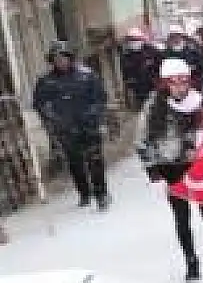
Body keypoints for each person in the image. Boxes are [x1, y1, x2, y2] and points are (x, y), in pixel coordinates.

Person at [137, 58, 203, 283]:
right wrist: (154, 174)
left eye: (182, 81)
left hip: (199, 166)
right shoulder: (154, 106)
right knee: (182, 218)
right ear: (165, 83)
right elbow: (142, 142)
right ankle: (191, 261)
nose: (178, 86)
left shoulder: (200, 102)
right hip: (170, 168)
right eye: (173, 82)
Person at [32, 41, 109, 211]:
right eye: (56, 59)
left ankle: (101, 193)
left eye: (63, 57)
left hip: (89, 125)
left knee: (95, 160)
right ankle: (84, 193)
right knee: (75, 162)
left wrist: (94, 114)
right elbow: (40, 104)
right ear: (52, 61)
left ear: (69, 57)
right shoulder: (45, 81)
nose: (61, 61)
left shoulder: (86, 75)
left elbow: (100, 98)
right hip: (65, 128)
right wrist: (53, 119)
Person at [118, 28, 160, 112]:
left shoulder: (152, 51)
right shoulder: (126, 56)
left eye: (135, 39)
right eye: (130, 40)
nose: (133, 42)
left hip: (154, 88)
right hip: (138, 91)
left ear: (141, 39)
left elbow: (160, 66)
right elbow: (125, 75)